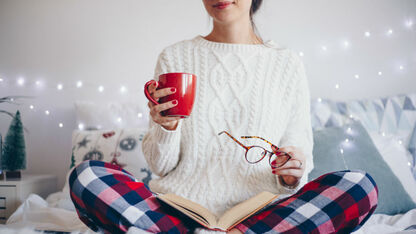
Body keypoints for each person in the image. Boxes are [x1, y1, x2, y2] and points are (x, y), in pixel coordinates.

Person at [69, 0, 379, 233]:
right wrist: (166, 126)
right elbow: (160, 166)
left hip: (262, 214)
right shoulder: (174, 57)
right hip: (178, 211)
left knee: (359, 186)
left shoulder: (286, 64)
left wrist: (291, 172)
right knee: (87, 176)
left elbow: (299, 160)